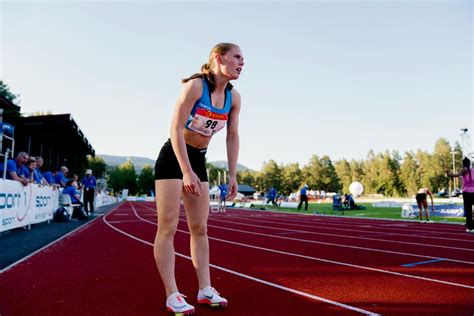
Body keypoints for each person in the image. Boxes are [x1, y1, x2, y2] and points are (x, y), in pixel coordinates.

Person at [153, 43, 243, 314]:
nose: (242, 62)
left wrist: (232, 175)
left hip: (199, 159)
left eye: (243, 59)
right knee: (168, 226)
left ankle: (205, 289)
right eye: (237, 57)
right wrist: (185, 170)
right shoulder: (195, 86)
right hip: (174, 157)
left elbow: (232, 136)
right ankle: (172, 294)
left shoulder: (234, 97)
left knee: (200, 228)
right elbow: (175, 128)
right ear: (219, 58)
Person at [447, 157, 474, 233]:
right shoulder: (473, 171)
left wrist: (448, 174)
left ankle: (469, 227)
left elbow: (456, 175)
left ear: (463, 164)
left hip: (466, 193)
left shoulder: (464, 170)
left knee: (468, 211)